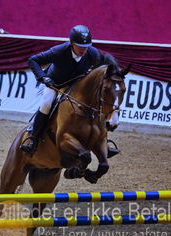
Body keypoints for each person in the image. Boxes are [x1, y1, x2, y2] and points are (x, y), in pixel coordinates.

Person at [20, 25, 120, 157]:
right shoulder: (59, 51)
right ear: (72, 43)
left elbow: (106, 61)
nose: (83, 50)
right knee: (46, 103)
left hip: (76, 85)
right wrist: (43, 78)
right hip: (56, 84)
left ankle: (103, 142)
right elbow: (33, 60)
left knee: (95, 103)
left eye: (86, 46)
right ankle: (33, 138)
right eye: (80, 46)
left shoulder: (92, 53)